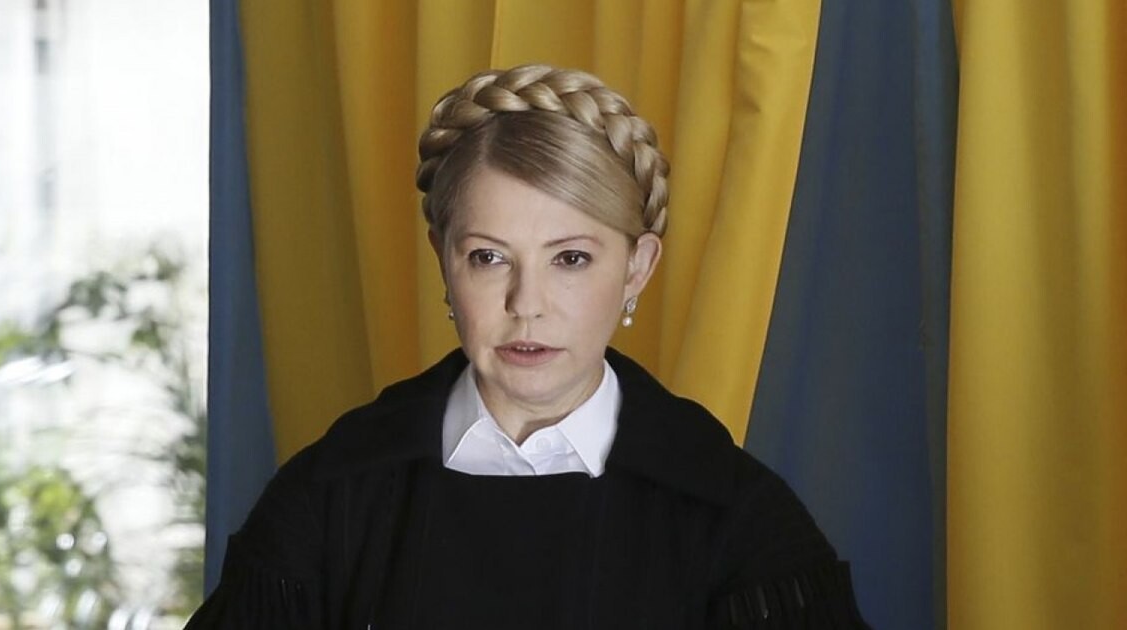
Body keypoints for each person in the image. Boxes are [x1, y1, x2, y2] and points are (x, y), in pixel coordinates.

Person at [187, 64, 869, 629]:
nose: (527, 303)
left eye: (570, 259)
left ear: (637, 268)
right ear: (443, 259)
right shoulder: (330, 496)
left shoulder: (736, 516)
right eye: (489, 257)